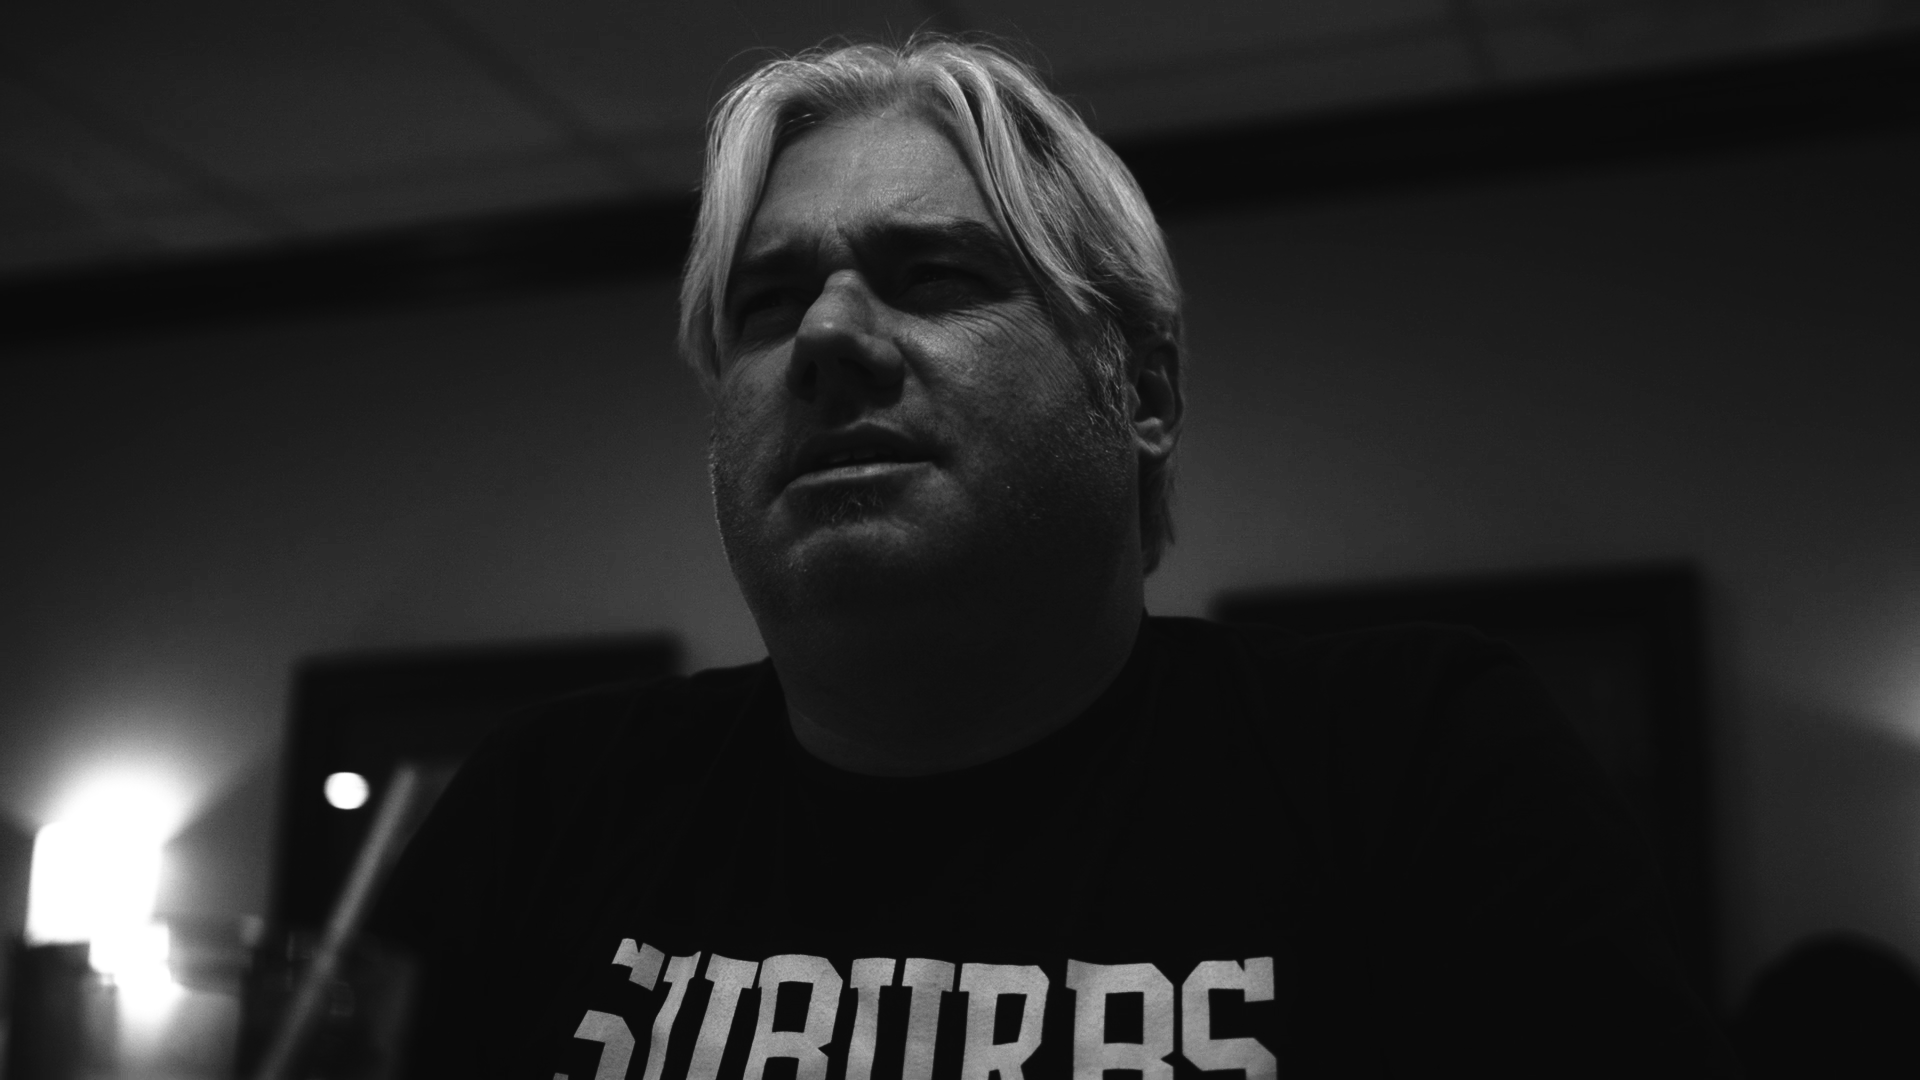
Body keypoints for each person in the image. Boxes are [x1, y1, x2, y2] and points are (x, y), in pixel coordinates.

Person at [372, 36, 1740, 1078]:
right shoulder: (548, 805)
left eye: (935, 277)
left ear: (1137, 391)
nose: (828, 340)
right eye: (769, 302)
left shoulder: (1415, 763)